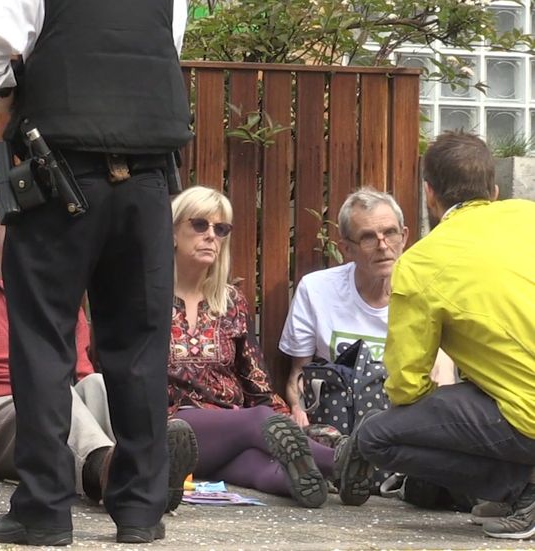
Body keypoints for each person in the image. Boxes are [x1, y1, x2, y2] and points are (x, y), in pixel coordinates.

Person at [0, 0, 194, 544]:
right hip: (147, 179)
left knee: (43, 343)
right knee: (141, 347)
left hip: (59, 171)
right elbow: (162, 49)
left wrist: (5, 93)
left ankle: (42, 510)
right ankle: (139, 511)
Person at [0, 183, 196, 507]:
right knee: (53, 398)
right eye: (23, 216)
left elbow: (82, 376)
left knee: (96, 385)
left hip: (50, 407)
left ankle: (146, 467)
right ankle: (114, 474)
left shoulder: (60, 302)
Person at [340, 131, 535, 539]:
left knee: (375, 436)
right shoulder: (528, 216)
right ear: (494, 190)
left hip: (527, 416)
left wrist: (445, 416)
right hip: (518, 402)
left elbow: (406, 385)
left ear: (429, 194)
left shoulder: (421, 263)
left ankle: (521, 488)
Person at [168, 186, 367, 508]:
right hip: (174, 427)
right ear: (173, 232)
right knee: (258, 421)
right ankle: (340, 462)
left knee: (261, 465)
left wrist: (288, 419)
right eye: (200, 224)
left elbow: (255, 378)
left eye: (221, 229)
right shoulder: (146, 299)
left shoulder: (231, 302)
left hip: (231, 429)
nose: (211, 236)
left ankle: (314, 482)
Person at [280, 188, 455, 428]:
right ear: (346, 248)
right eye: (368, 238)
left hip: (407, 426)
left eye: (390, 233)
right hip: (337, 425)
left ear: (404, 237)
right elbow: (298, 375)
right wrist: (298, 410)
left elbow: (443, 378)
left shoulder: (429, 293)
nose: (383, 246)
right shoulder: (316, 290)